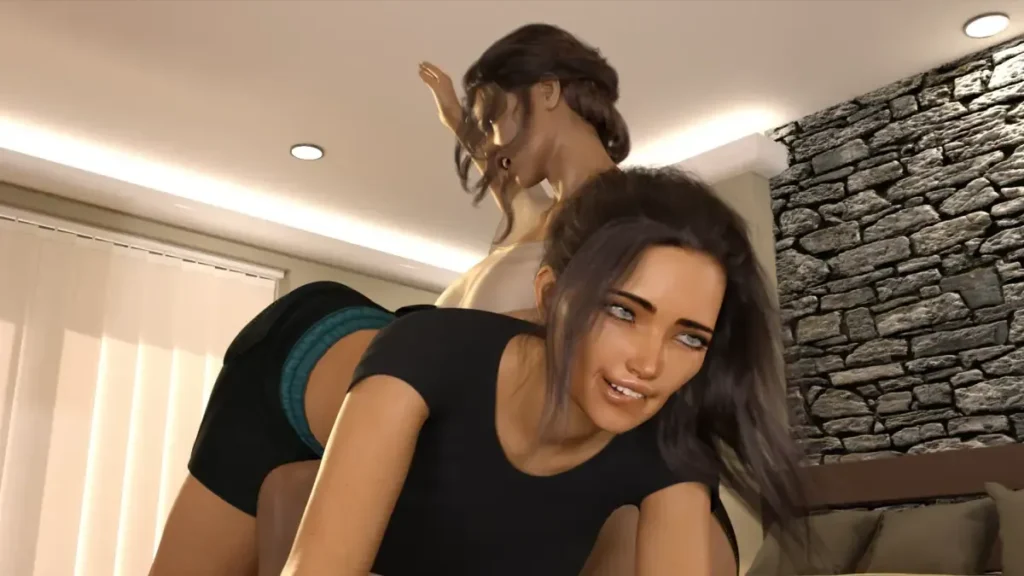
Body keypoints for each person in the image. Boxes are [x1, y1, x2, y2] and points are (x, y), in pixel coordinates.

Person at [149, 22, 646, 576]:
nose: (494, 142)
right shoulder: (540, 217)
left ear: (548, 91)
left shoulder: (628, 216)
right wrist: (456, 117)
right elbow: (501, 178)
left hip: (361, 375)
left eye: (496, 118)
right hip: (324, 346)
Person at [281, 168, 806, 576]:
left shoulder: (672, 447)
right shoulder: (426, 352)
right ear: (551, 296)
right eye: (622, 311)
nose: (649, 365)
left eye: (689, 337)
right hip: (291, 359)